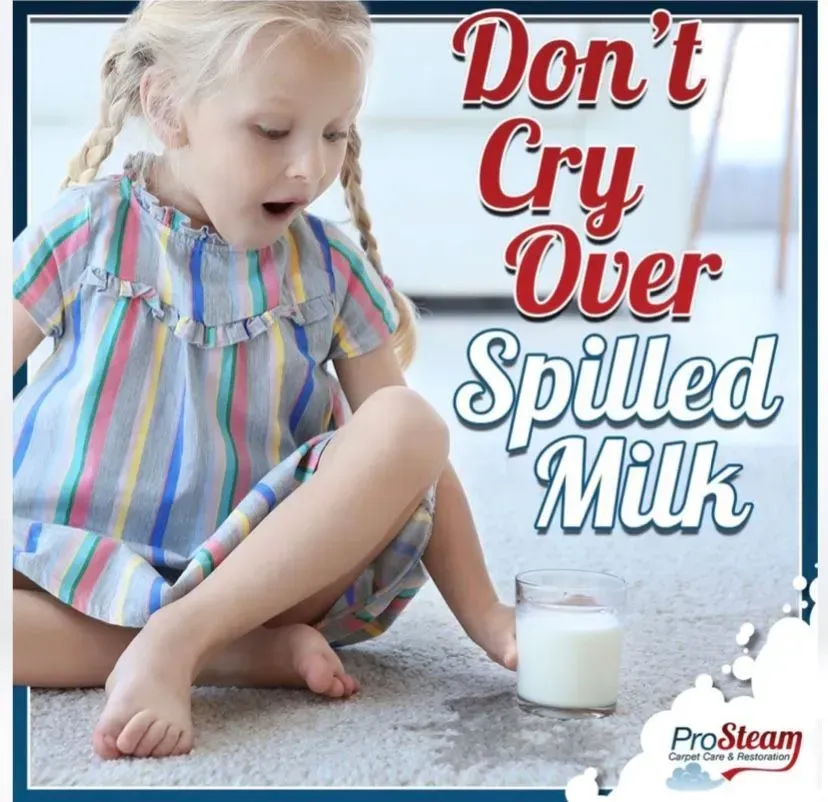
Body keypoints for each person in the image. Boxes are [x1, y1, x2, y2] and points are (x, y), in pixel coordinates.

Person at [12, 0, 516, 761]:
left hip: (263, 564)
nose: (310, 167)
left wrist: (492, 619)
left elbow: (415, 460)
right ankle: (234, 655)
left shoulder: (327, 269)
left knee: (408, 421)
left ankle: (191, 630)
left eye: (335, 133)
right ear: (169, 109)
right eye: (273, 131)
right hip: (72, 560)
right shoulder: (85, 233)